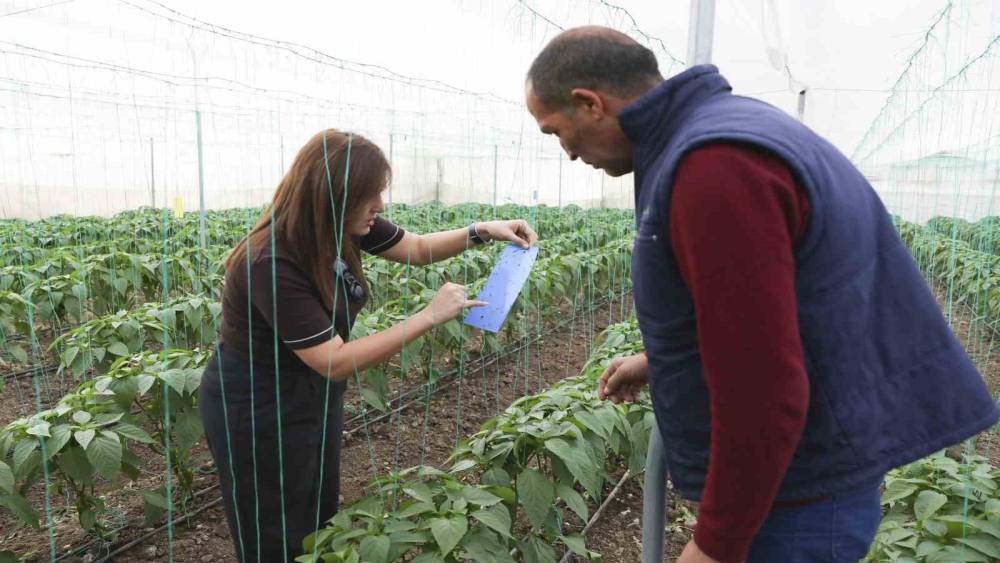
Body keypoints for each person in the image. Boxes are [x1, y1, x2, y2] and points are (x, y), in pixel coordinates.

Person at [525, 26, 999, 563]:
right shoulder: (726, 134)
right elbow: (783, 310)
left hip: (795, 500)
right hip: (809, 478)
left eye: (554, 131)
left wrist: (715, 544)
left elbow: (764, 389)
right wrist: (665, 360)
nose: (564, 152)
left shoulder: (715, 166)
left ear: (590, 104)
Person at [198, 129, 538, 562]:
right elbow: (333, 360)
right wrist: (428, 316)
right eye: (369, 194)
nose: (379, 205)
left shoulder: (344, 225)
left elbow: (415, 248)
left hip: (308, 392)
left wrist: (482, 231)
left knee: (315, 513)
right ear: (332, 195)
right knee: (273, 526)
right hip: (257, 405)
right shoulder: (270, 262)